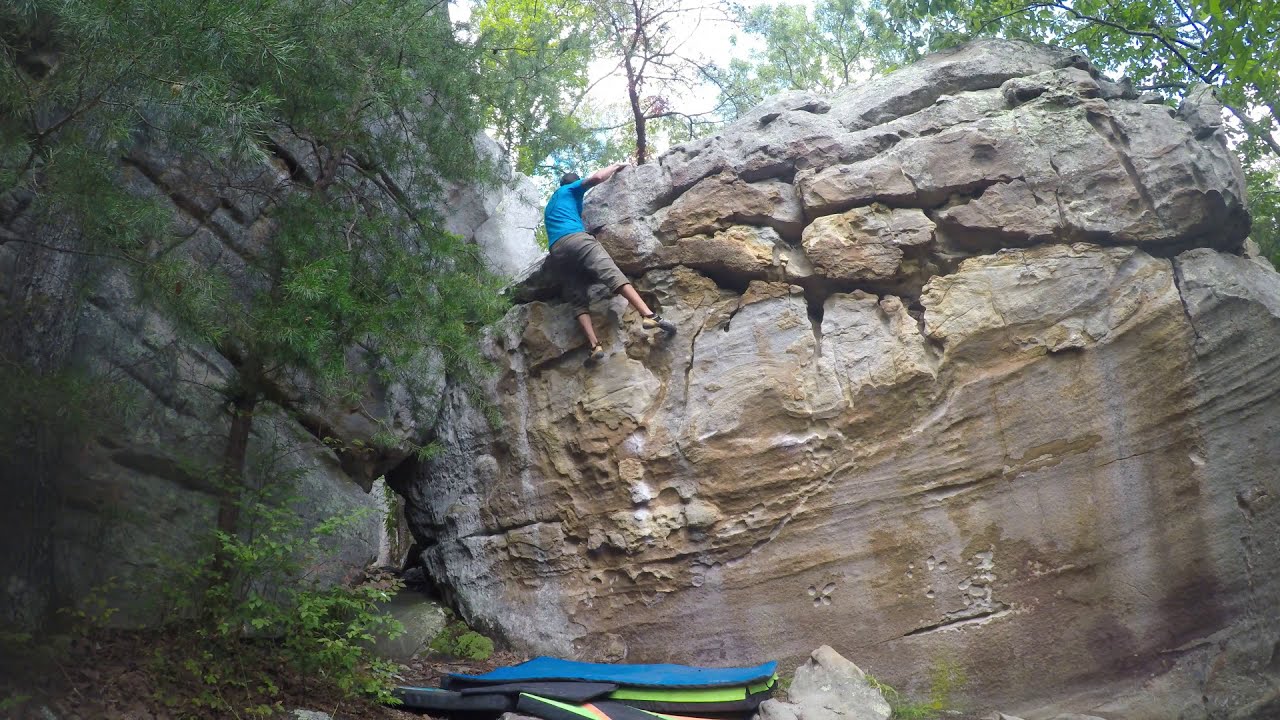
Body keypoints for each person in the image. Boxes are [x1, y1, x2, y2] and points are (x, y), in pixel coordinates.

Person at [544, 163, 676, 364]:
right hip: (576, 239)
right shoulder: (570, 189)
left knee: (577, 298)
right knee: (611, 273)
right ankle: (648, 315)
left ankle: (595, 346)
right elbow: (596, 178)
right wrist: (616, 165)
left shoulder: (552, 204)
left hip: (557, 251)